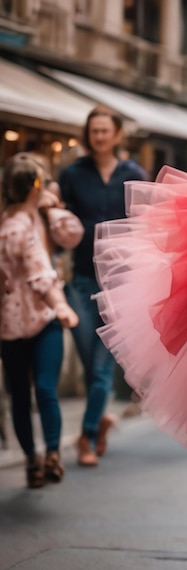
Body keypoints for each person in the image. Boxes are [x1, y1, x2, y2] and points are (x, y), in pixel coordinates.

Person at [58, 105, 148, 467]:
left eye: (104, 130)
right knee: (87, 360)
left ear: (117, 135)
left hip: (119, 283)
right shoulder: (71, 174)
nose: (99, 136)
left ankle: (87, 435)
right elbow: (59, 219)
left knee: (99, 368)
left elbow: (145, 226)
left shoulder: (134, 173)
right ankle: (100, 420)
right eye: (93, 131)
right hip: (80, 280)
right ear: (87, 134)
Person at [0, 153, 81, 488]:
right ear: (35, 186)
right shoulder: (21, 229)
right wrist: (62, 306)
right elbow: (40, 277)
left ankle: (34, 460)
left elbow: (70, 235)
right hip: (42, 319)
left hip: (8, 327)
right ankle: (50, 453)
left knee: (19, 395)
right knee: (45, 390)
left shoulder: (10, 221)